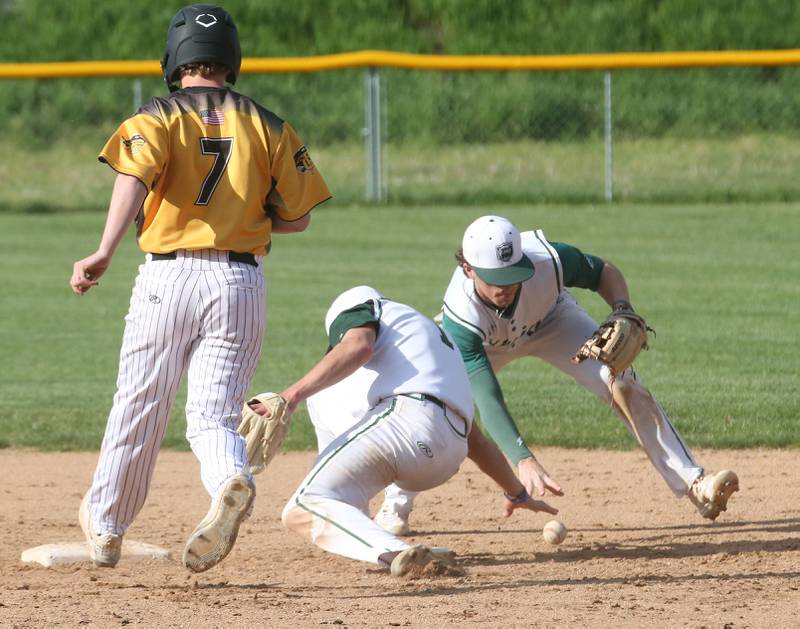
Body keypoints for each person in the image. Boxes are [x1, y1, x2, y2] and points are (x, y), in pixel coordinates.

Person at [69, 3, 330, 572]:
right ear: (230, 59)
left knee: (140, 403)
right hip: (240, 281)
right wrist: (254, 219)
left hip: (169, 275)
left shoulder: (158, 115)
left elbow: (134, 177)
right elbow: (301, 217)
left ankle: (107, 528)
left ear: (175, 58)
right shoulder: (268, 123)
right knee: (211, 416)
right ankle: (231, 477)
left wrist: (105, 250)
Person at [379, 215, 739, 532]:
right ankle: (396, 502)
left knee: (619, 380)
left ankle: (695, 484)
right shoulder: (462, 316)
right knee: (438, 409)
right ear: (468, 269)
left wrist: (622, 306)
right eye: (493, 278)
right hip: (484, 344)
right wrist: (522, 459)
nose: (504, 286)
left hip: (551, 320)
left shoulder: (549, 259)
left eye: (511, 274)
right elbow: (486, 396)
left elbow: (603, 272)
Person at [253, 286, 556, 577]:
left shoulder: (362, 310)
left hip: (407, 428)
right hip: (444, 458)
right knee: (331, 489)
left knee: (304, 505)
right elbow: (475, 440)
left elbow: (358, 345)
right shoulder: (428, 339)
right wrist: (516, 493)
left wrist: (289, 396)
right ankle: (385, 537)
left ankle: (397, 553)